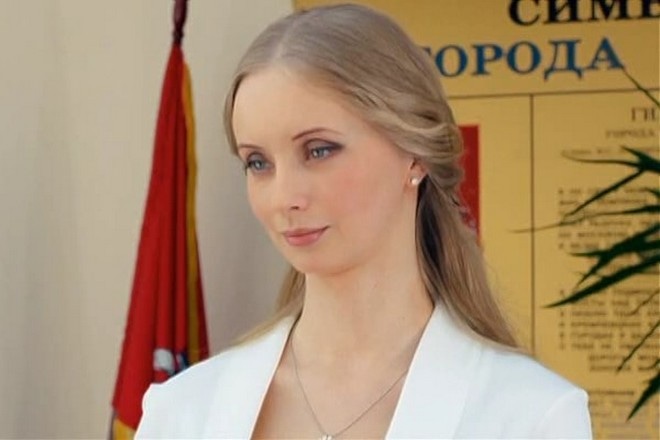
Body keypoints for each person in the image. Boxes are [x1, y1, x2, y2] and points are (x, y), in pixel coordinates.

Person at [136, 4, 592, 439]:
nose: (284, 198)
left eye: (319, 150)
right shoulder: (182, 410)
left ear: (414, 154)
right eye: (258, 163)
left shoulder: (532, 416)